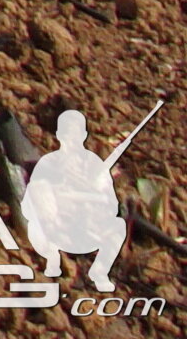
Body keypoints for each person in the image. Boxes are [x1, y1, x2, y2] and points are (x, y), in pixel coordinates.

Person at [23, 109, 129, 292]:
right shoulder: (51, 161)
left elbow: (106, 199)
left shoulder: (92, 164)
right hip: (59, 223)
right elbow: (40, 189)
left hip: (88, 224)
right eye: (67, 133)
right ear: (59, 135)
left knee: (118, 226)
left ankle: (99, 272)